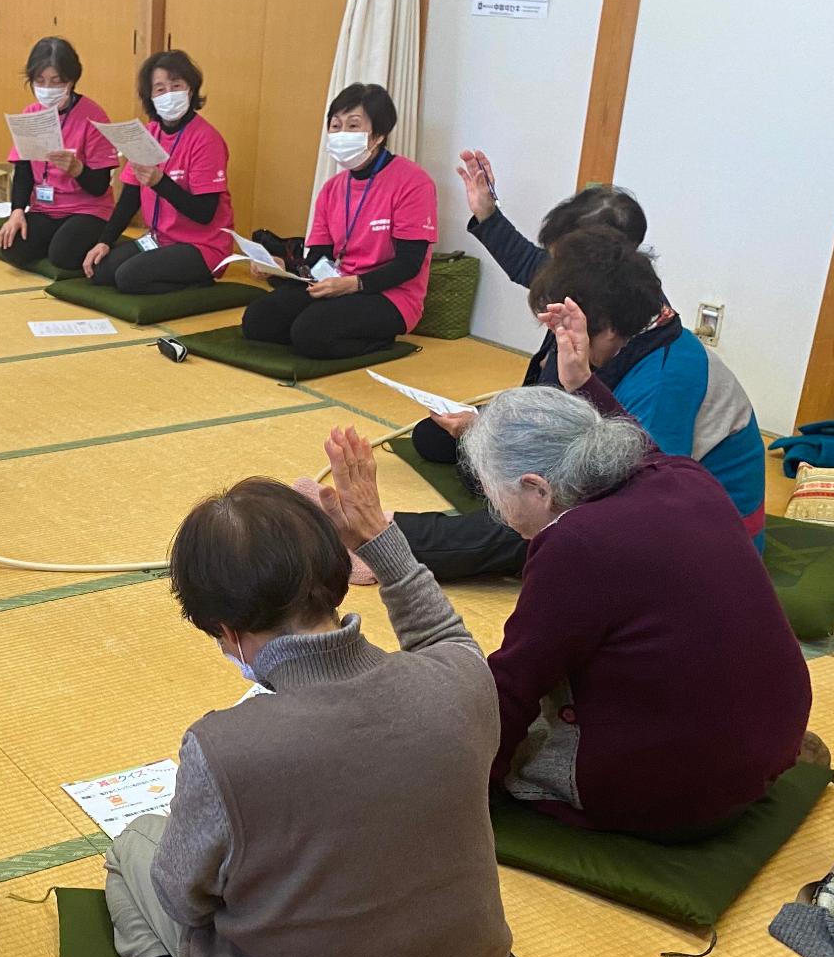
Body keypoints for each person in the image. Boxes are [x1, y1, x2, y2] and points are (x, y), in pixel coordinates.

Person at [102, 428, 559, 957]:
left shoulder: (224, 746)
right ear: (339, 574)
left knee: (132, 852)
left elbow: (186, 904)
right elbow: (444, 634)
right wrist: (378, 532)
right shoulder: (459, 682)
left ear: (226, 630)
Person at [461, 297, 811, 838]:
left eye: (495, 497)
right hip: (777, 737)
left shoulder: (575, 544)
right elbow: (634, 441)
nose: (499, 514)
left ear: (536, 486)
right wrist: (581, 383)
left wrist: (460, 783)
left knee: (477, 719)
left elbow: (515, 682)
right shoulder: (680, 475)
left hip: (681, 796)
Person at [386, 165, 652, 583]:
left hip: (597, 486)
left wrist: (497, 440)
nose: (548, 270)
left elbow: (621, 473)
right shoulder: (591, 297)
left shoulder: (634, 340)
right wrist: (488, 215)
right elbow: (527, 265)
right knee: (435, 436)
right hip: (560, 446)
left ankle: (386, 537)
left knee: (535, 522)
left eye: (561, 259)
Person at [239, 83, 437, 359]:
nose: (341, 134)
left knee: (311, 333)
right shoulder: (332, 188)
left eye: (353, 126)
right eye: (336, 125)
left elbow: (409, 265)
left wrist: (353, 284)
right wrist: (284, 267)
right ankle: (323, 328)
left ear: (378, 134)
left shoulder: (413, 182)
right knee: (258, 320)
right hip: (335, 285)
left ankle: (378, 339)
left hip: (391, 296)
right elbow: (319, 257)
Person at [80, 50, 234, 296]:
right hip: (159, 239)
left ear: (190, 90)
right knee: (101, 271)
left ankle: (199, 283)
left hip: (201, 246)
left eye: (176, 86)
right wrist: (104, 241)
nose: (169, 95)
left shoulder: (207, 139)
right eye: (160, 89)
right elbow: (130, 197)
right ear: (150, 97)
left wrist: (160, 183)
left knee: (129, 278)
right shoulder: (149, 133)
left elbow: (204, 213)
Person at [0, 37, 120, 274]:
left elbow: (100, 187)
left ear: (71, 81)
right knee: (12, 246)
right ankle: (55, 239)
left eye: (55, 81)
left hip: (87, 209)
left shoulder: (93, 116)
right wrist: (17, 212)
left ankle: (85, 241)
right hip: (45, 208)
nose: (47, 89)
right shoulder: (31, 113)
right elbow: (23, 171)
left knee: (63, 255)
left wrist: (77, 169)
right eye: (40, 81)